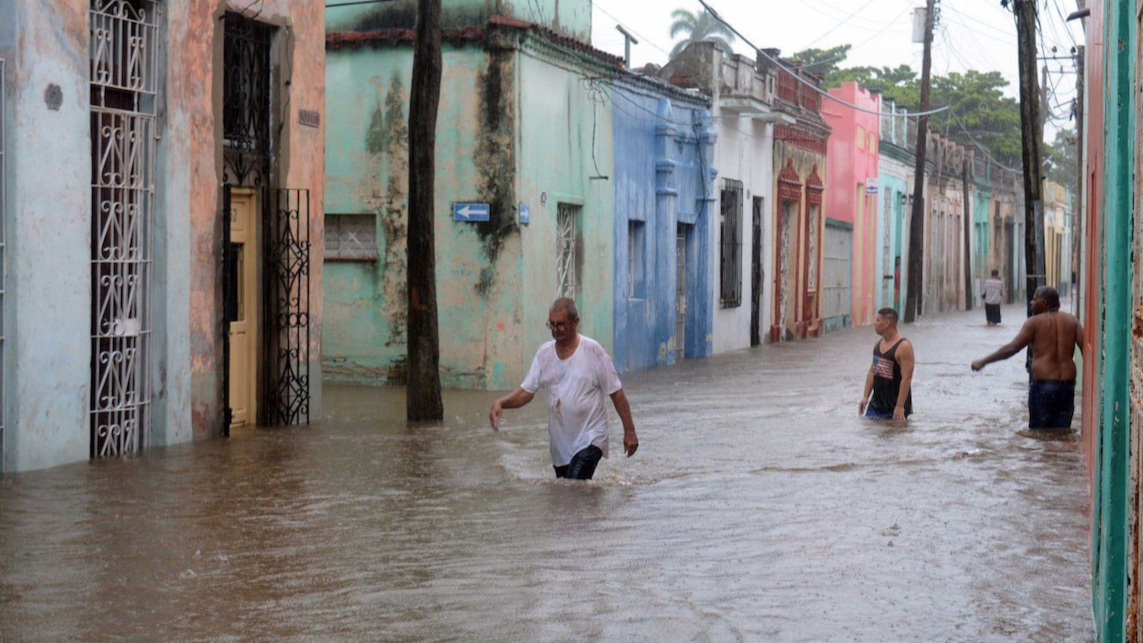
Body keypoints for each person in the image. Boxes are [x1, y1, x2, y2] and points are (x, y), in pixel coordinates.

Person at [489, 298, 638, 480]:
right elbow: (526, 392)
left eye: (561, 325)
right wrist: (501, 403)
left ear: (575, 322)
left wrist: (629, 431)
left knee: (574, 488)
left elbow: (617, 394)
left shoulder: (593, 352)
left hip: (591, 437)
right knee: (567, 496)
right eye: (551, 324)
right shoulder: (544, 355)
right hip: (561, 446)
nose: (555, 330)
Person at [971, 286, 1084, 430]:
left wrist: (984, 361)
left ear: (1043, 303)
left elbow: (1012, 348)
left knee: (1039, 435)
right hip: (1067, 387)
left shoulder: (1034, 322)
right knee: (1062, 433)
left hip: (1044, 386)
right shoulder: (1073, 322)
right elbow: (1088, 350)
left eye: (1034, 299)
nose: (1031, 303)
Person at [859, 308, 915, 421]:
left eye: (877, 320)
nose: (874, 323)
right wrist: (865, 397)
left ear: (887, 323)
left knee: (895, 436)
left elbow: (906, 378)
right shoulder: (878, 343)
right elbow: (872, 371)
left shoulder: (904, 347)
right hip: (876, 405)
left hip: (894, 407)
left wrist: (899, 406)